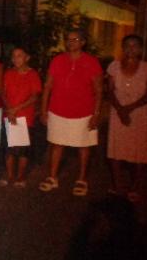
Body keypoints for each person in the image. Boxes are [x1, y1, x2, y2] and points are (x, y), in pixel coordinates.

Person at [39, 29, 103, 197]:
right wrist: (44, 110)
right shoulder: (57, 60)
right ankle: (52, 177)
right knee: (57, 144)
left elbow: (98, 89)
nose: (71, 42)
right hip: (58, 110)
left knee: (83, 145)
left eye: (75, 39)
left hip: (84, 112)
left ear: (83, 42)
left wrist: (96, 114)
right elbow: (48, 86)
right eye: (68, 39)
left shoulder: (92, 61)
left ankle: (82, 179)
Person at [106, 35, 147, 201]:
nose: (131, 49)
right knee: (116, 148)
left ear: (141, 49)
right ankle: (117, 184)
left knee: (139, 150)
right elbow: (110, 91)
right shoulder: (114, 66)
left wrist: (129, 108)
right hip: (117, 111)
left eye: (135, 46)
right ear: (123, 48)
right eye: (127, 45)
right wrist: (120, 109)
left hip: (139, 112)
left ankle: (135, 186)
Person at [0, 47, 42, 187]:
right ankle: (10, 175)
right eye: (14, 56)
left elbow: (34, 96)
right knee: (9, 148)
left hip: (25, 117)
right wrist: (10, 110)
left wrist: (16, 109)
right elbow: (3, 93)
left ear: (27, 58)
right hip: (9, 115)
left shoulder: (32, 75)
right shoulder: (9, 73)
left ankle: (21, 176)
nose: (16, 59)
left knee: (23, 149)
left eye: (19, 55)